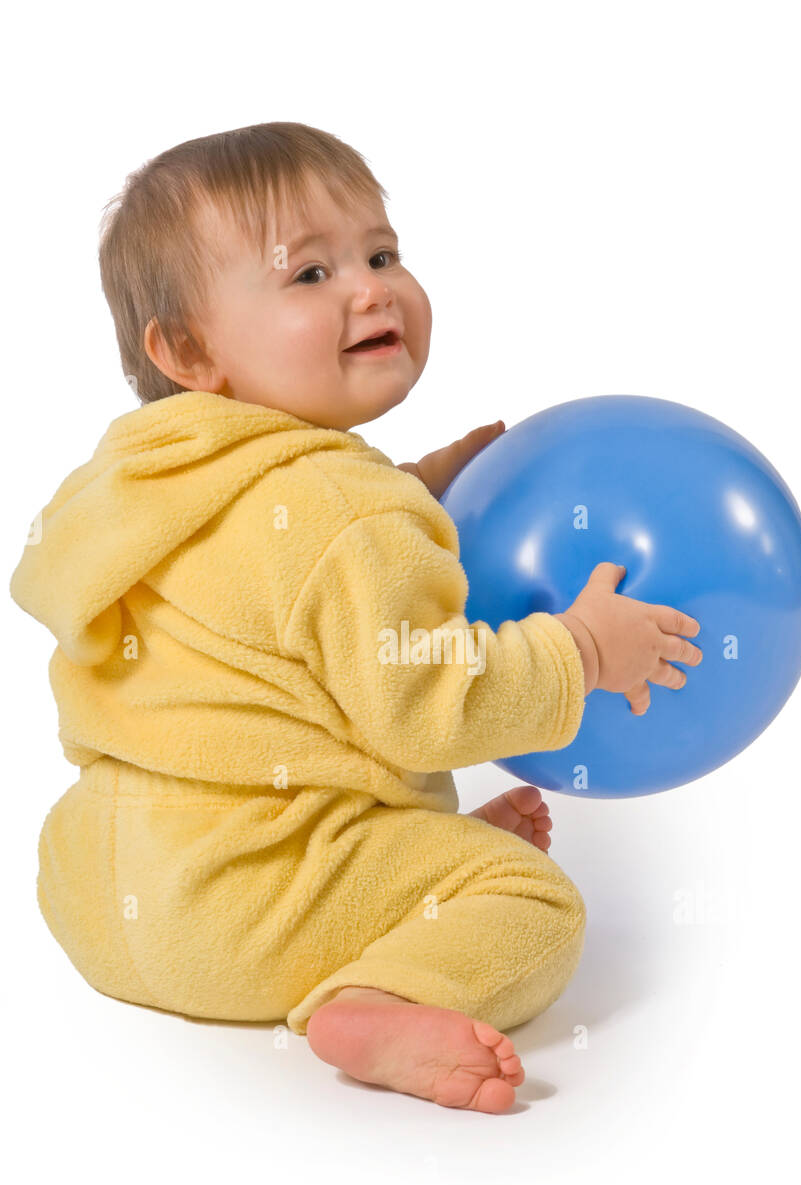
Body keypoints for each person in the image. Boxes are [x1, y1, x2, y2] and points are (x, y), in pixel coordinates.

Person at [10, 122, 701, 1114]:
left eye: (381, 255)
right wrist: (582, 649)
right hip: (251, 906)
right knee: (529, 899)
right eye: (309, 275)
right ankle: (375, 997)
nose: (369, 288)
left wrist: (418, 490)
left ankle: (396, 865)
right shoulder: (345, 515)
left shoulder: (146, 481)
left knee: (298, 753)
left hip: (95, 898)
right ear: (190, 348)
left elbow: (280, 603)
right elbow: (426, 707)